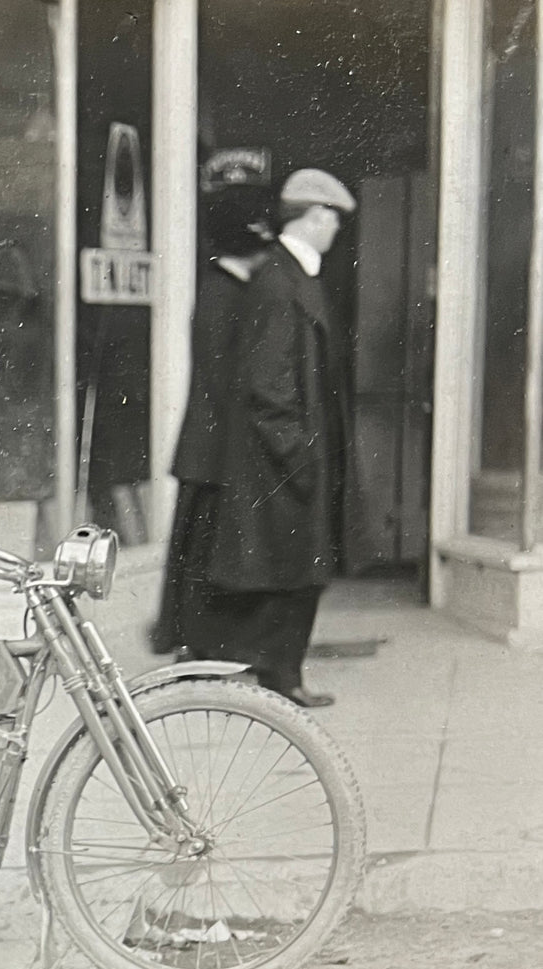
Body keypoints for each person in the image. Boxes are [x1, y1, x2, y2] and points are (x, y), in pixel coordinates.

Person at [172, 168, 356, 708]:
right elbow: (268, 382)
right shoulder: (282, 282)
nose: (335, 231)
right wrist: (299, 452)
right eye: (332, 221)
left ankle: (281, 672)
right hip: (285, 457)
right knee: (292, 568)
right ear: (315, 217)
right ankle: (281, 675)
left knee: (294, 567)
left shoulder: (286, 276)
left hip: (291, 452)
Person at [152, 174, 274, 660]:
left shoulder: (220, 288)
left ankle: (199, 643)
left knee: (199, 550)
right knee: (208, 554)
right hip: (217, 448)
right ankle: (201, 647)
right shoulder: (227, 294)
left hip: (208, 445)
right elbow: (229, 379)